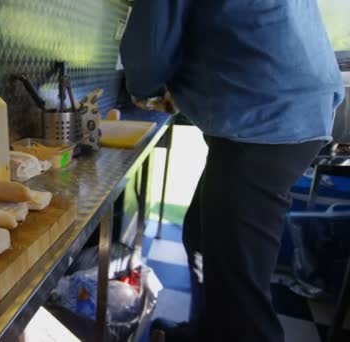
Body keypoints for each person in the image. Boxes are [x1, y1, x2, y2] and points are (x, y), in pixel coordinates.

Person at [120, 1, 345, 341]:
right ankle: (205, 331)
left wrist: (143, 89)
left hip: (268, 115)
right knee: (201, 233)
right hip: (291, 105)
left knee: (239, 288)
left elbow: (150, 48)